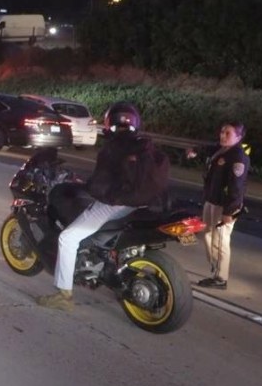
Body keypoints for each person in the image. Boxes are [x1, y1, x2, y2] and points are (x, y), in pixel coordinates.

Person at [36, 101, 170, 311]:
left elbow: (99, 185)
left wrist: (86, 185)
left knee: (68, 238)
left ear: (109, 123)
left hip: (117, 205)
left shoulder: (113, 148)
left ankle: (63, 295)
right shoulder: (145, 145)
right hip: (143, 204)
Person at [186, 121, 250, 290]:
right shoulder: (221, 149)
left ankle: (221, 278)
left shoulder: (238, 157)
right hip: (212, 200)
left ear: (238, 137)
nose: (222, 135)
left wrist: (229, 212)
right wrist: (194, 151)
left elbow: (237, 188)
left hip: (225, 205)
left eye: (228, 133)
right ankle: (215, 269)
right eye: (222, 131)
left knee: (220, 241)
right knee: (207, 234)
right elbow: (206, 148)